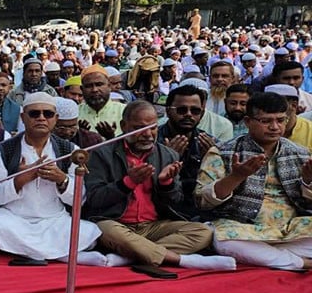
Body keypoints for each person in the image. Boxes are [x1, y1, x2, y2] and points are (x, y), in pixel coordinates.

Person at [82, 100, 235, 273]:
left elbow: (176, 200)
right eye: (140, 128)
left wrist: (166, 184)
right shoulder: (101, 153)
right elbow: (95, 199)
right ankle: (180, 260)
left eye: (153, 127)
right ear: (124, 126)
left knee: (204, 232)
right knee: (103, 229)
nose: (148, 134)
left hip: (154, 226)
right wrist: (128, 183)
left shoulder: (167, 154)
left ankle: (130, 255)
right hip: (117, 224)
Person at [0, 93, 106, 265]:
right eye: (34, 114)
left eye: (47, 114)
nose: (41, 118)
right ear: (23, 117)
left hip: (54, 220)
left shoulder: (70, 150)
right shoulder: (1, 151)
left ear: (55, 118)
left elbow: (81, 199)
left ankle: (32, 253)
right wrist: (21, 179)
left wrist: (62, 180)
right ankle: (63, 255)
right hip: (13, 219)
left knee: (90, 233)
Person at [197, 91, 312, 270]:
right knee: (225, 241)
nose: (275, 127)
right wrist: (236, 177)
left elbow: (307, 204)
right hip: (243, 228)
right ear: (248, 122)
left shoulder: (301, 153)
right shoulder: (223, 152)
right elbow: (203, 201)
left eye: (281, 120)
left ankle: (273, 257)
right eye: (266, 121)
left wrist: (307, 182)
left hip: (292, 229)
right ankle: (300, 262)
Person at [157, 84, 218, 220]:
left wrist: (212, 160)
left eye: (195, 111)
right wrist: (167, 158)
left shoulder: (208, 141)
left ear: (201, 114)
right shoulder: (153, 140)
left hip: (199, 207)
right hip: (162, 208)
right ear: (168, 111)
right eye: (181, 110)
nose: (188, 115)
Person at [78, 66, 123, 139]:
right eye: (89, 86)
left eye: (99, 84)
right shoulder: (75, 113)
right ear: (82, 89)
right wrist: (79, 138)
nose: (94, 90)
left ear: (109, 86)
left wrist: (111, 138)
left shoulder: (124, 111)